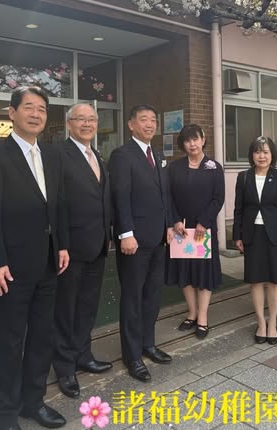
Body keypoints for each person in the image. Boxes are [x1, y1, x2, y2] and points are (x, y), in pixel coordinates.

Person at [0, 86, 69, 430]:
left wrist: (62, 245)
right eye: (29, 107)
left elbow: (57, 205)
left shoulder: (52, 155)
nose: (36, 114)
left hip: (48, 264)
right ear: (12, 113)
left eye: (42, 109)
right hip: (10, 269)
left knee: (42, 337)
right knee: (9, 342)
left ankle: (33, 402)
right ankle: (3, 414)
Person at [53, 104, 113, 399]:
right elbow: (56, 204)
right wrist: (61, 244)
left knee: (88, 306)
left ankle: (83, 355)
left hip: (97, 245)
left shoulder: (97, 155)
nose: (87, 124)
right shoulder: (59, 155)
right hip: (71, 249)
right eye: (81, 119)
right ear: (69, 124)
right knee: (66, 309)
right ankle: (64, 367)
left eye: (92, 119)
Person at [108, 104, 172, 382]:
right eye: (143, 119)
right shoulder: (122, 155)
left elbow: (164, 195)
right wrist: (125, 233)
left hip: (158, 238)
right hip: (134, 241)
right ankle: (132, 355)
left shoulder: (157, 155)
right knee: (133, 298)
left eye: (153, 120)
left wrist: (169, 224)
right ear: (131, 124)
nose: (149, 124)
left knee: (152, 296)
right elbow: (120, 196)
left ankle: (148, 344)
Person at [165, 124, 225, 339]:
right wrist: (174, 221)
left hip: (203, 230)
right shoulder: (174, 168)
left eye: (195, 139)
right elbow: (168, 197)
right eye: (187, 140)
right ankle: (191, 313)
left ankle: (203, 317)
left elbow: (218, 198)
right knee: (186, 273)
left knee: (204, 274)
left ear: (203, 140)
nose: (192, 144)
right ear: (183, 144)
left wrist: (203, 222)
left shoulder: (214, 167)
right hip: (181, 230)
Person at [233, 136, 277, 344]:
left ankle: (273, 323)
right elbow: (238, 209)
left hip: (274, 235)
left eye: (266, 152)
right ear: (252, 155)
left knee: (274, 281)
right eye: (258, 152)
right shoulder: (243, 177)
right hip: (251, 234)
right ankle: (261, 322)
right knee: (256, 280)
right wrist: (237, 235)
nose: (262, 156)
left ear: (272, 155)